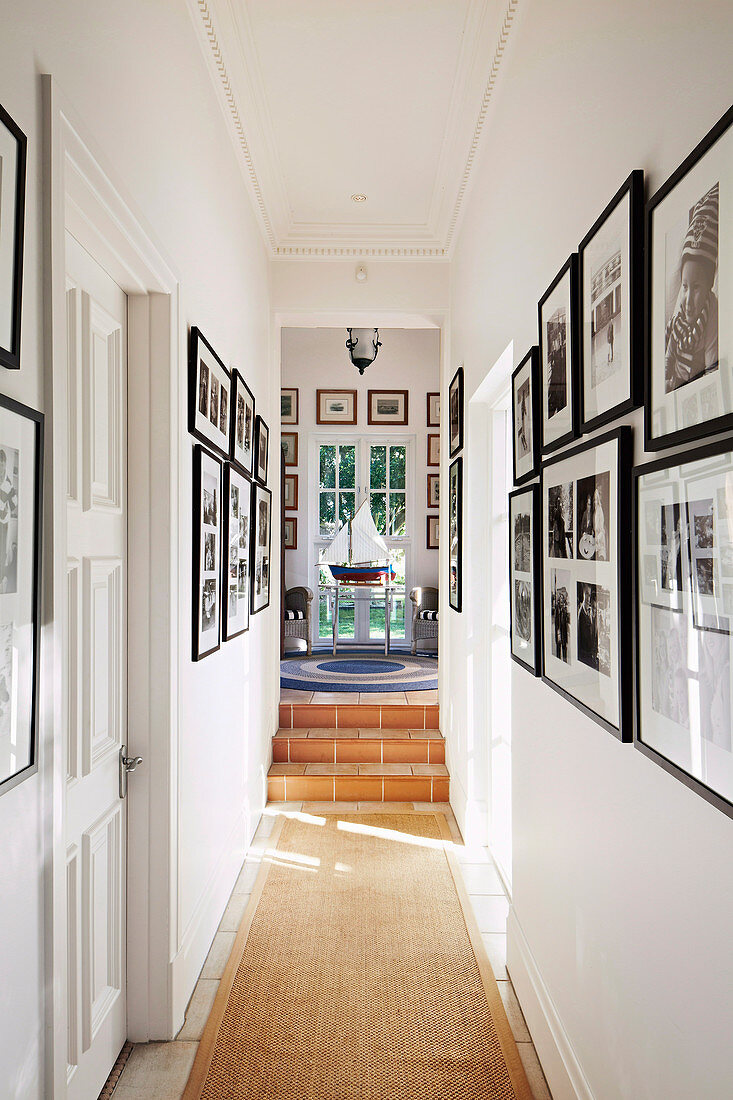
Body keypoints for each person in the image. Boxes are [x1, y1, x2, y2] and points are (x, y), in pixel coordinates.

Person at [665, 183, 719, 391]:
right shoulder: (678, 319)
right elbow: (669, 355)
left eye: (697, 287)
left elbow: (712, 364)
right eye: (685, 287)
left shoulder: (711, 310)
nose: (688, 299)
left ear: (709, 285)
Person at [578, 584, 598, 669]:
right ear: (583, 594)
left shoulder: (590, 611)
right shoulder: (580, 614)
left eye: (589, 595)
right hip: (584, 656)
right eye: (586, 594)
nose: (588, 598)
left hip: (591, 654)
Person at [593, 487, 607, 560]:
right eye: (594, 500)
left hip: (600, 539)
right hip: (596, 539)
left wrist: (598, 537)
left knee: (600, 556)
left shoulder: (600, 510)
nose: (595, 502)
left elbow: (601, 529)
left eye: (596, 500)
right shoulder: (595, 512)